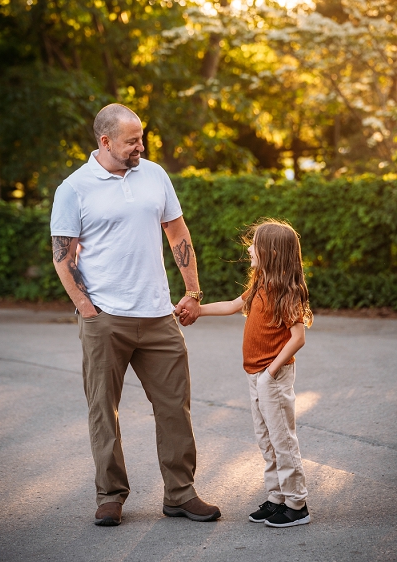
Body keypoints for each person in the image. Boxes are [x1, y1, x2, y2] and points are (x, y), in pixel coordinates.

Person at [50, 103, 220, 526]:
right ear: (105, 141)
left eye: (141, 137)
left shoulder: (155, 175)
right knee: (103, 409)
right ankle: (110, 495)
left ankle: (180, 493)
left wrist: (193, 291)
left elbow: (177, 232)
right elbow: (62, 255)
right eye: (131, 140)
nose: (140, 146)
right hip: (105, 317)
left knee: (174, 407)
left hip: (159, 315)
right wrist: (86, 308)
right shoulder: (75, 188)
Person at [194, 219, 313, 528]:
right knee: (266, 439)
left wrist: (270, 372)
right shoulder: (261, 283)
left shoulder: (287, 290)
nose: (248, 248)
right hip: (256, 375)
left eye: (254, 244)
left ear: (271, 251)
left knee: (282, 439)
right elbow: (234, 305)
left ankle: (297, 504)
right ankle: (277, 498)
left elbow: (298, 337)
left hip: (272, 376)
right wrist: (197, 310)